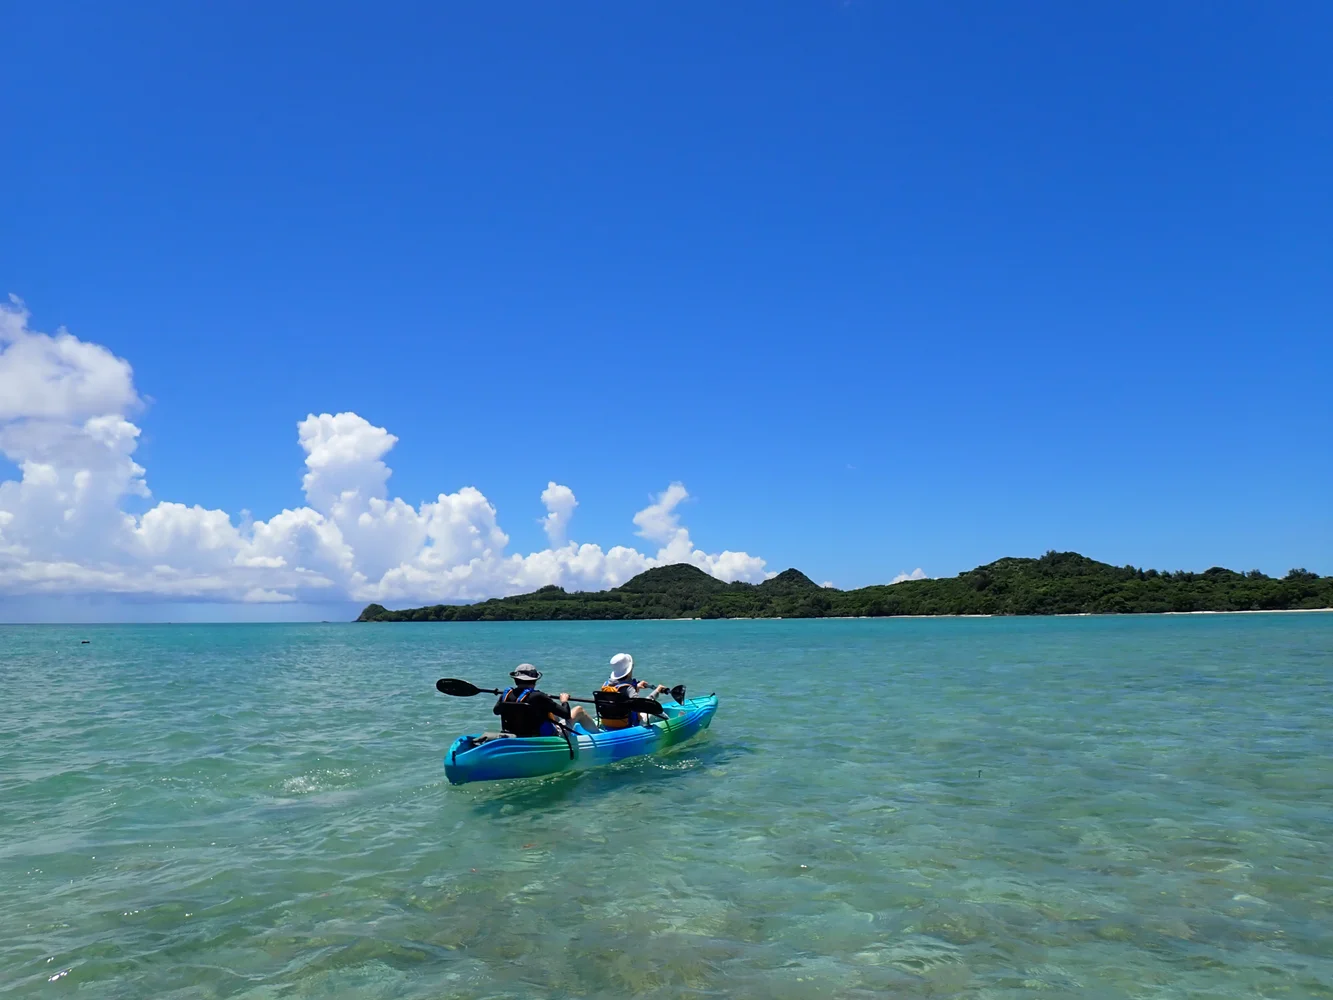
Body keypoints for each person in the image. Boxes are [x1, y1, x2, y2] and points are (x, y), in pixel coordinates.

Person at [493, 664, 573, 738]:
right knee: (579, 710)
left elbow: (496, 711)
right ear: (534, 680)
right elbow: (566, 714)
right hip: (542, 736)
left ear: (515, 680)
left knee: (551, 713)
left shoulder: (506, 695)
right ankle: (583, 738)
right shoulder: (539, 696)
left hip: (514, 733)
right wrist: (564, 701)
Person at [594, 653, 668, 730]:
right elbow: (643, 706)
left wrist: (636, 687)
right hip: (627, 725)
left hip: (608, 723)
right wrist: (657, 691)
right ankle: (670, 721)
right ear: (629, 670)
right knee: (658, 712)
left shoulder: (605, 685)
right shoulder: (628, 689)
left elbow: (619, 692)